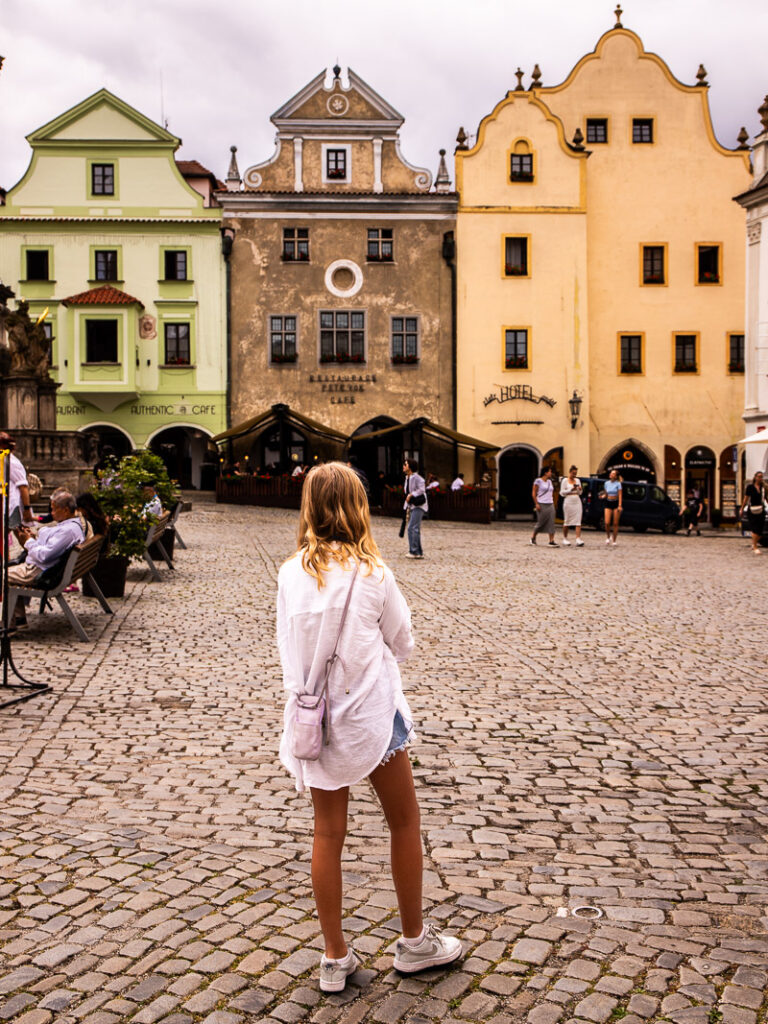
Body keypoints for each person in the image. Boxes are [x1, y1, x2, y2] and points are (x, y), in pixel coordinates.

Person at [276, 463, 462, 993]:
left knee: (326, 833)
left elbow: (287, 651)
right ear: (357, 507)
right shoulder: (373, 573)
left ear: (310, 506)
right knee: (403, 823)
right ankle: (413, 942)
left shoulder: (291, 573)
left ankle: (334, 957)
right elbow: (402, 643)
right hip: (373, 722)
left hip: (315, 722)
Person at [9, 491, 85, 626]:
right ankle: (18, 617)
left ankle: (9, 623)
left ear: (66, 510)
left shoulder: (67, 531)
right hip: (44, 568)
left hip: (39, 572)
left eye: (54, 509)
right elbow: (50, 550)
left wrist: (28, 542)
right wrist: (32, 539)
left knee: (3, 575)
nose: (51, 513)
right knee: (8, 570)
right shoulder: (70, 526)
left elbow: (44, 556)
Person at [0, 432, 34, 530]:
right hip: (5, 502)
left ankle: (36, 545)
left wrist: (27, 508)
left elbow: (23, 487)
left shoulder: (12, 462)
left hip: (13, 503)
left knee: (21, 532)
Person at [403, 458, 427, 559]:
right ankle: (418, 551)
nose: (403, 466)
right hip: (412, 505)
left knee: (412, 527)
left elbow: (422, 489)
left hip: (419, 505)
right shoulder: (407, 478)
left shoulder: (417, 478)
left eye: (405, 464)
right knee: (413, 528)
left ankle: (414, 551)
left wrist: (412, 494)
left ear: (410, 466)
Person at [530, 466, 557, 547]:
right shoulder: (538, 481)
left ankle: (551, 540)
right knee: (541, 522)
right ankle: (533, 537)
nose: (551, 473)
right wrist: (536, 503)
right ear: (545, 472)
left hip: (550, 503)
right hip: (541, 503)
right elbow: (534, 493)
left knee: (551, 522)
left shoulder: (549, 482)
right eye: (550, 471)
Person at [741, 471, 766, 555]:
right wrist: (741, 508)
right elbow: (746, 498)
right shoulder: (750, 487)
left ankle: (754, 543)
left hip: (761, 509)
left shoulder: (763, 487)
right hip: (752, 510)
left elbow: (766, 498)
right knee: (755, 528)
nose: (760, 478)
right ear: (755, 477)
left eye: (761, 477)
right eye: (758, 476)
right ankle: (755, 546)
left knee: (760, 530)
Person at [560, 465, 584, 546]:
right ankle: (565, 538)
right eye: (573, 473)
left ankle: (578, 538)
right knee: (567, 520)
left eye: (575, 473)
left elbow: (580, 493)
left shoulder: (577, 480)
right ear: (570, 472)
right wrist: (571, 489)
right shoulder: (565, 480)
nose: (574, 475)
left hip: (577, 500)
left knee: (578, 520)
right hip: (568, 501)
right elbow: (562, 493)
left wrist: (579, 489)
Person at [603, 469, 623, 546]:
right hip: (608, 502)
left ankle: (614, 540)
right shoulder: (606, 483)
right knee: (607, 522)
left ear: (616, 476)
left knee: (615, 523)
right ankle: (608, 537)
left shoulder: (618, 484)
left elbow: (620, 495)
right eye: (611, 473)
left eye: (613, 473)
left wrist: (620, 505)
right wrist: (603, 496)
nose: (611, 474)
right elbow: (606, 493)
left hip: (615, 503)